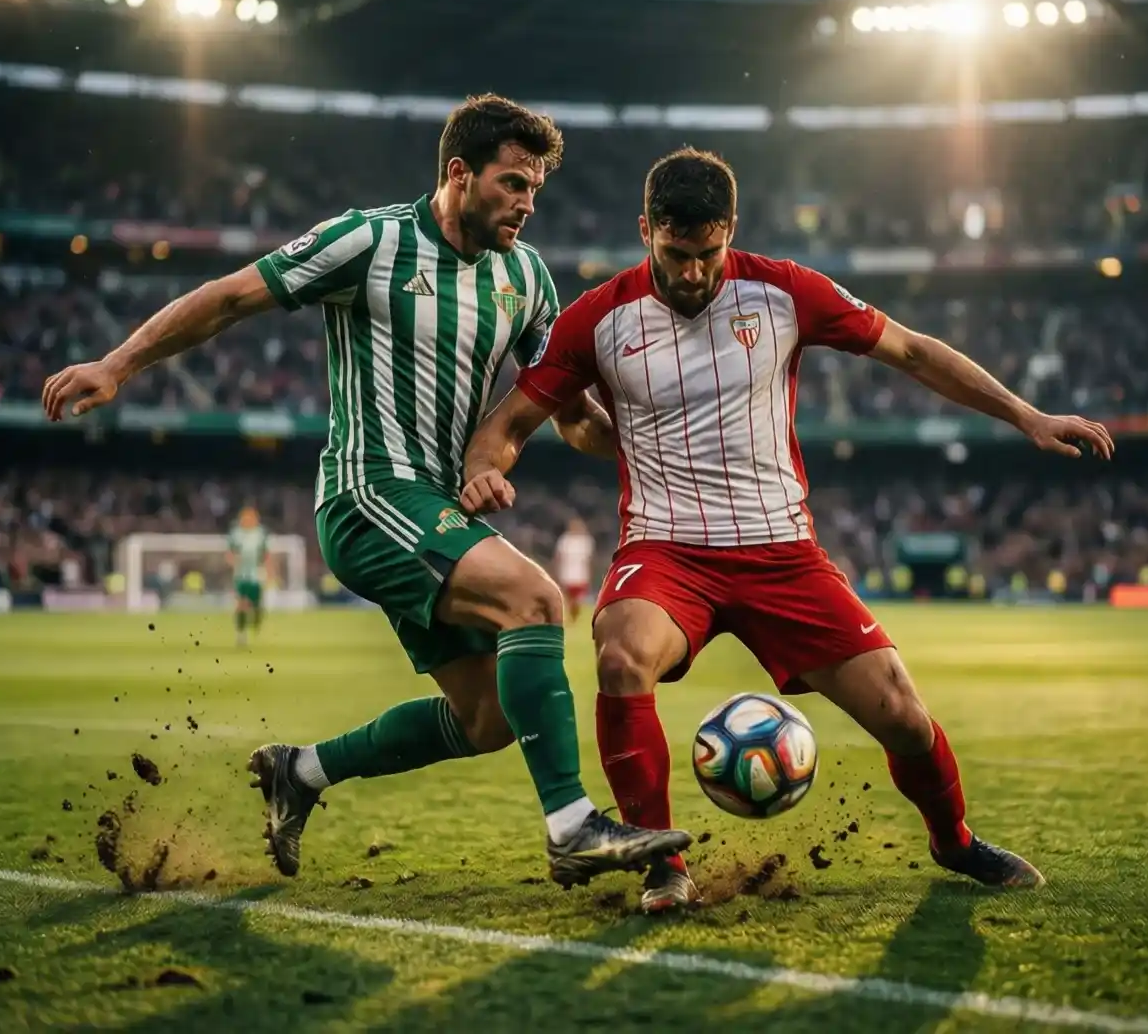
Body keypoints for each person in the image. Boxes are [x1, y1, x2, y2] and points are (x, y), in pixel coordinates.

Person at [41, 95, 690, 888]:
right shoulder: (370, 239)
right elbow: (232, 295)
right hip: (367, 494)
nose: (527, 204)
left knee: (485, 719)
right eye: (514, 183)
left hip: (436, 510)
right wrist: (118, 364)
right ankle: (570, 828)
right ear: (459, 173)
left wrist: (638, 438)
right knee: (537, 600)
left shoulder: (524, 277)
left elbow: (567, 416)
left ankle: (301, 772)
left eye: (536, 191)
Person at [462, 147, 1114, 912]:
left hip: (782, 554)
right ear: (646, 231)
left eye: (709, 253)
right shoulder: (598, 318)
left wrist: (1026, 416)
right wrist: (486, 467)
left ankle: (955, 841)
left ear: (731, 231)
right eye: (677, 253)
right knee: (621, 654)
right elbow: (509, 421)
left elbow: (912, 351)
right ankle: (664, 866)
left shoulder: (784, 292)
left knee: (903, 715)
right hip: (666, 551)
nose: (696, 272)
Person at [227, 505, 269, 647]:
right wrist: (233, 562)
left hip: (256, 575)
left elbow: (265, 553)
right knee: (241, 605)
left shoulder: (260, 534)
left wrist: (269, 570)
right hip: (241, 575)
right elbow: (231, 552)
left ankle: (256, 620)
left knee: (256, 606)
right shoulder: (236, 534)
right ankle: (241, 634)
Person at [554, 517, 596, 623]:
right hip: (567, 573)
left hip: (581, 574)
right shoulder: (565, 540)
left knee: (577, 600)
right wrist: (557, 571)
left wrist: (590, 574)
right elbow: (558, 557)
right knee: (568, 598)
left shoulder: (586, 541)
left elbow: (590, 559)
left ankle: (574, 616)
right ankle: (570, 618)